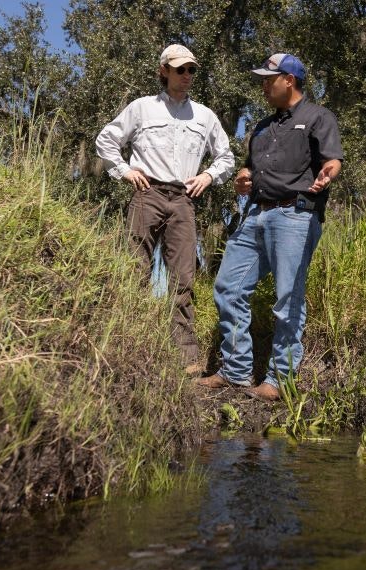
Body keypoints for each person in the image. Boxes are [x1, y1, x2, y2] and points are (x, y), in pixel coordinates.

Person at [198, 53, 343, 401]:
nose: (263, 85)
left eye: (269, 78)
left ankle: (279, 380)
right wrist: (243, 179)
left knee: (287, 297)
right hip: (255, 216)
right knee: (228, 288)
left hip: (295, 216)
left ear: (289, 80)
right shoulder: (262, 128)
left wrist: (330, 170)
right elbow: (249, 171)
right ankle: (235, 372)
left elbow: (333, 159)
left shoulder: (318, 117)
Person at [96, 44, 235, 375]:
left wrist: (208, 175)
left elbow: (227, 157)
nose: (186, 75)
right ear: (164, 71)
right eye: (180, 69)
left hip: (183, 201)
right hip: (147, 194)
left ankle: (186, 356)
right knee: (135, 269)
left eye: (191, 70)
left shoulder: (204, 116)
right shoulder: (142, 108)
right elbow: (106, 140)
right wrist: (124, 171)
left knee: (183, 279)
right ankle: (130, 343)